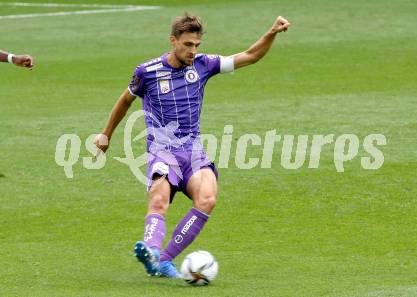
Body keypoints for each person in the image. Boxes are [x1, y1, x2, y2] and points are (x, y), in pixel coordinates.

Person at [94, 13, 290, 278]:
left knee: (207, 198)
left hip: (194, 152)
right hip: (162, 151)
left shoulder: (204, 65)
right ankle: (151, 250)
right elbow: (125, 101)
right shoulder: (147, 71)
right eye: (187, 44)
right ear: (173, 40)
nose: (193, 50)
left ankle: (163, 261)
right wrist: (106, 136)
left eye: (196, 45)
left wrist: (272, 32)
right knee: (159, 199)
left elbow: (250, 56)